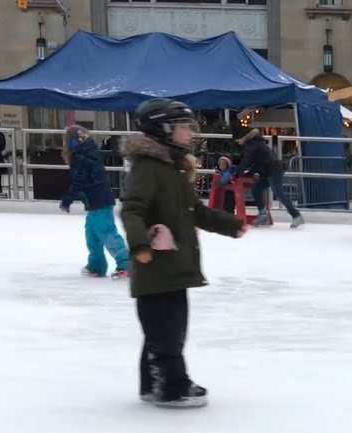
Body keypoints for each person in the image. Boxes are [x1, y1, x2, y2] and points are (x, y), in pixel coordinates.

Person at [120, 98, 247, 409]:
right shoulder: (149, 167)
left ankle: (152, 384)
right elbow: (132, 209)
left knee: (166, 329)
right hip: (157, 265)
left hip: (174, 266)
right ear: (163, 130)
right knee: (165, 331)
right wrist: (139, 245)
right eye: (183, 128)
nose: (189, 133)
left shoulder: (172, 168)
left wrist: (230, 224)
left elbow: (194, 212)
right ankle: (171, 386)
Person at [60, 125, 130, 279]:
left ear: (73, 142)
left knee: (107, 233)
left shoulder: (80, 157)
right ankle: (96, 265)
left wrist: (67, 199)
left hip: (99, 201)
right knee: (92, 235)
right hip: (96, 201)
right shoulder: (87, 153)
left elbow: (78, 181)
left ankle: (126, 264)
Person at [236, 127, 305, 229]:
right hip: (267, 171)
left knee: (278, 192)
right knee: (257, 189)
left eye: (237, 139)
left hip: (274, 170)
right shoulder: (253, 143)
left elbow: (247, 161)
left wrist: (237, 173)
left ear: (244, 137)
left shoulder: (252, 145)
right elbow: (256, 162)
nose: (237, 142)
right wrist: (251, 172)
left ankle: (296, 215)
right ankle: (263, 215)